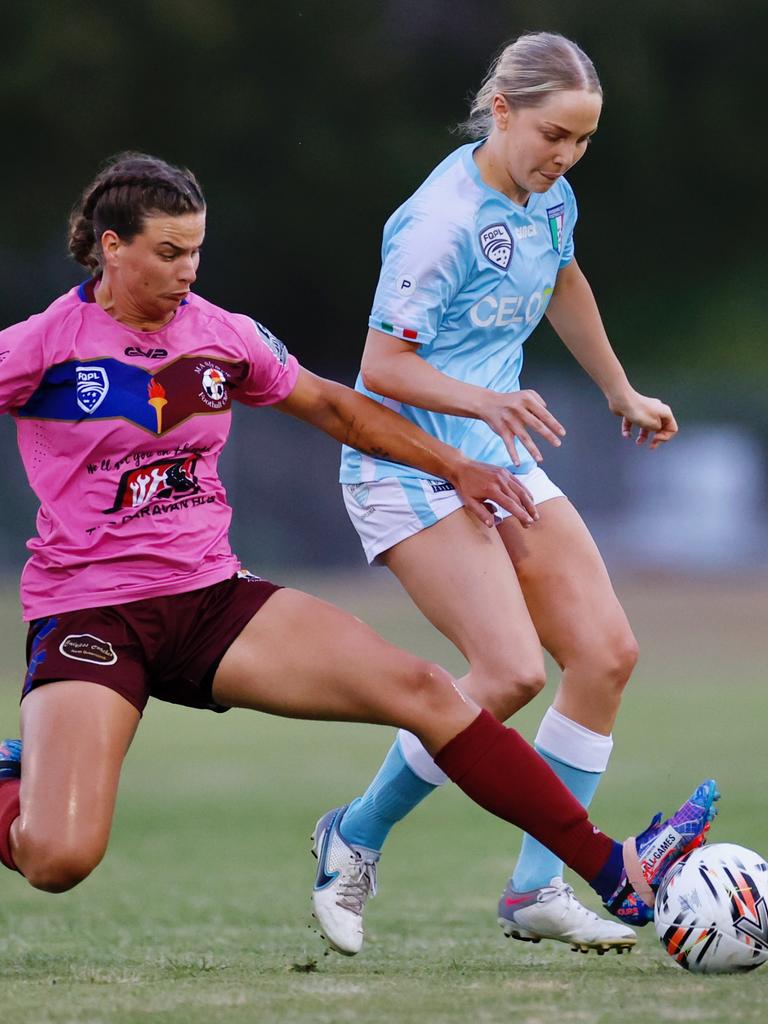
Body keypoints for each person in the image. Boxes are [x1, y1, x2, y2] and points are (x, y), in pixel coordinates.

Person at [0, 153, 714, 950]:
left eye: (197, 251)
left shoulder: (222, 334)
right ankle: (19, 769)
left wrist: (456, 465)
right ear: (110, 247)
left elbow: (339, 409)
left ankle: (611, 869)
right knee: (59, 858)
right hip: (90, 614)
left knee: (428, 689)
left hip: (211, 603)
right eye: (168, 254)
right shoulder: (42, 346)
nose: (187, 270)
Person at [314, 31, 682, 955]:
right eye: (554, 134)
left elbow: (563, 279)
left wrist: (618, 389)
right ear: (503, 109)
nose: (565, 158)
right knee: (512, 671)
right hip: (405, 464)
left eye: (584, 142)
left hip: (497, 453)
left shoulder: (548, 195)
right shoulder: (438, 222)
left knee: (604, 652)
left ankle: (534, 890)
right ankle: (352, 836)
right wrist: (485, 399)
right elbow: (379, 366)